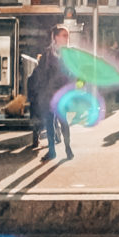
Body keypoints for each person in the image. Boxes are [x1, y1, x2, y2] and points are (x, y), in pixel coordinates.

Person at [35, 24, 74, 162]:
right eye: (64, 35)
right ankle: (52, 151)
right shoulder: (47, 53)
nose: (66, 38)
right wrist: (41, 90)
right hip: (48, 93)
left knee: (63, 122)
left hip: (61, 93)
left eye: (67, 35)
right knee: (49, 123)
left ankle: (68, 148)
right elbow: (40, 73)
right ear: (56, 37)